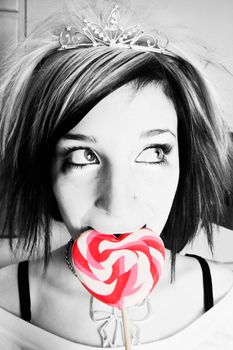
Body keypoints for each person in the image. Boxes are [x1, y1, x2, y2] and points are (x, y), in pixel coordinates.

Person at [0, 2, 233, 349]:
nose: (118, 206)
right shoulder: (6, 306)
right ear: (45, 170)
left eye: (154, 153)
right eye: (83, 156)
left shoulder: (226, 299)